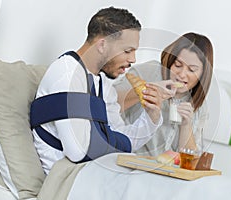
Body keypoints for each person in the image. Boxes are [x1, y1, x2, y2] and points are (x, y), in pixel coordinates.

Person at [30, 7, 162, 174]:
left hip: (91, 174)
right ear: (102, 44)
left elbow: (124, 140)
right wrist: (113, 141)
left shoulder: (101, 83)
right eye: (128, 51)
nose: (133, 59)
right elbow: (79, 151)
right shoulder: (67, 76)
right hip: (65, 180)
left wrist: (152, 116)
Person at [114, 32, 213, 156]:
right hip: (127, 161)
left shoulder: (200, 106)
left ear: (203, 74)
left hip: (162, 172)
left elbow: (189, 159)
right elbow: (109, 102)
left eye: (192, 70)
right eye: (178, 65)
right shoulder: (149, 72)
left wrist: (186, 124)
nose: (182, 74)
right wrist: (149, 90)